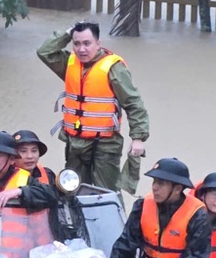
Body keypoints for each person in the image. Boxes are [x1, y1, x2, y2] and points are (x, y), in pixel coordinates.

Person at [36, 20, 149, 192]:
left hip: (105, 144)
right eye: (77, 44)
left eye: (87, 43)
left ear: (98, 43)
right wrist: (68, 32)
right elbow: (45, 52)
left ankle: (113, 219)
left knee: (107, 193)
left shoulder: (114, 68)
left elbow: (133, 103)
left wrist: (138, 137)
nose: (82, 49)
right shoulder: (69, 64)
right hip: (76, 143)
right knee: (73, 190)